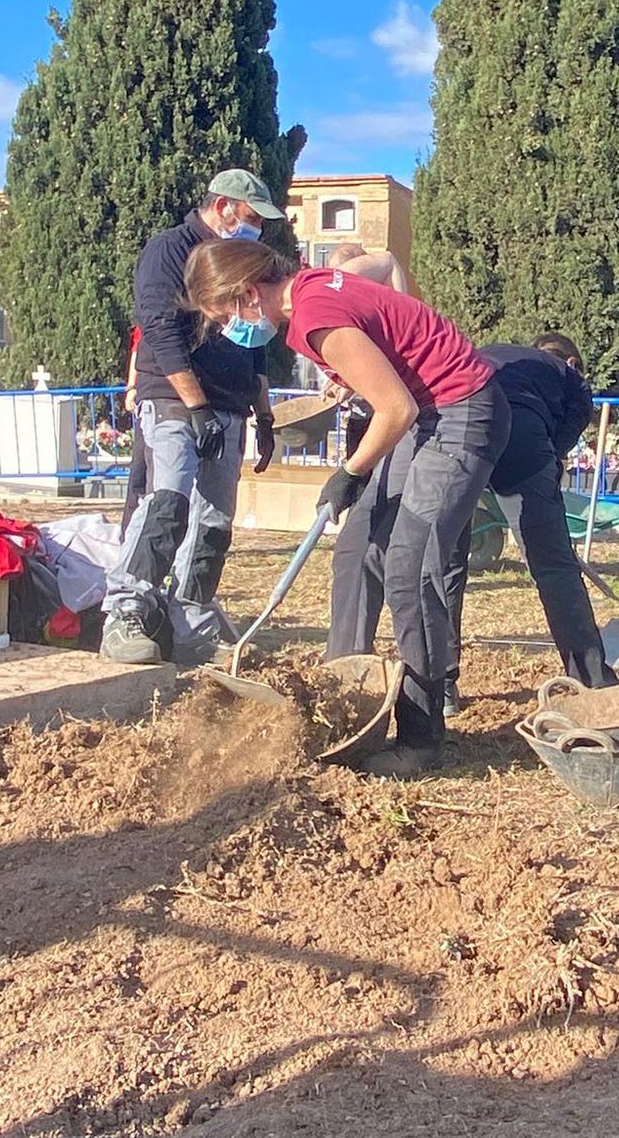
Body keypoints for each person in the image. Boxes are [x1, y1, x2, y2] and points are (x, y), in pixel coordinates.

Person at [182, 240, 510, 773]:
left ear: (247, 293)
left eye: (224, 317)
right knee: (357, 548)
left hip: (461, 410)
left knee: (410, 567)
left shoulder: (314, 316)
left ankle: (422, 735)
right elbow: (385, 261)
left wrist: (351, 472)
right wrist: (400, 339)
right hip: (426, 412)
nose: (228, 329)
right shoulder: (313, 283)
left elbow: (395, 407)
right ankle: (342, 696)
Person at [331, 332, 613, 702]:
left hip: (453, 426)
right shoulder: (571, 377)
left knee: (444, 558)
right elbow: (562, 438)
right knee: (553, 566)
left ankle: (441, 685)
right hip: (520, 434)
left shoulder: (487, 353)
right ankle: (594, 683)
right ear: (573, 361)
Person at [102, 170, 280, 665]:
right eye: (249, 219)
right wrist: (195, 405)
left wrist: (262, 413)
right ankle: (126, 612)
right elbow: (160, 331)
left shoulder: (242, 258)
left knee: (213, 523)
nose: (256, 231)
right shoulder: (170, 250)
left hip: (229, 406)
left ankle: (191, 620)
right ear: (223, 206)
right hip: (174, 399)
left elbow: (257, 339)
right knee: (166, 504)